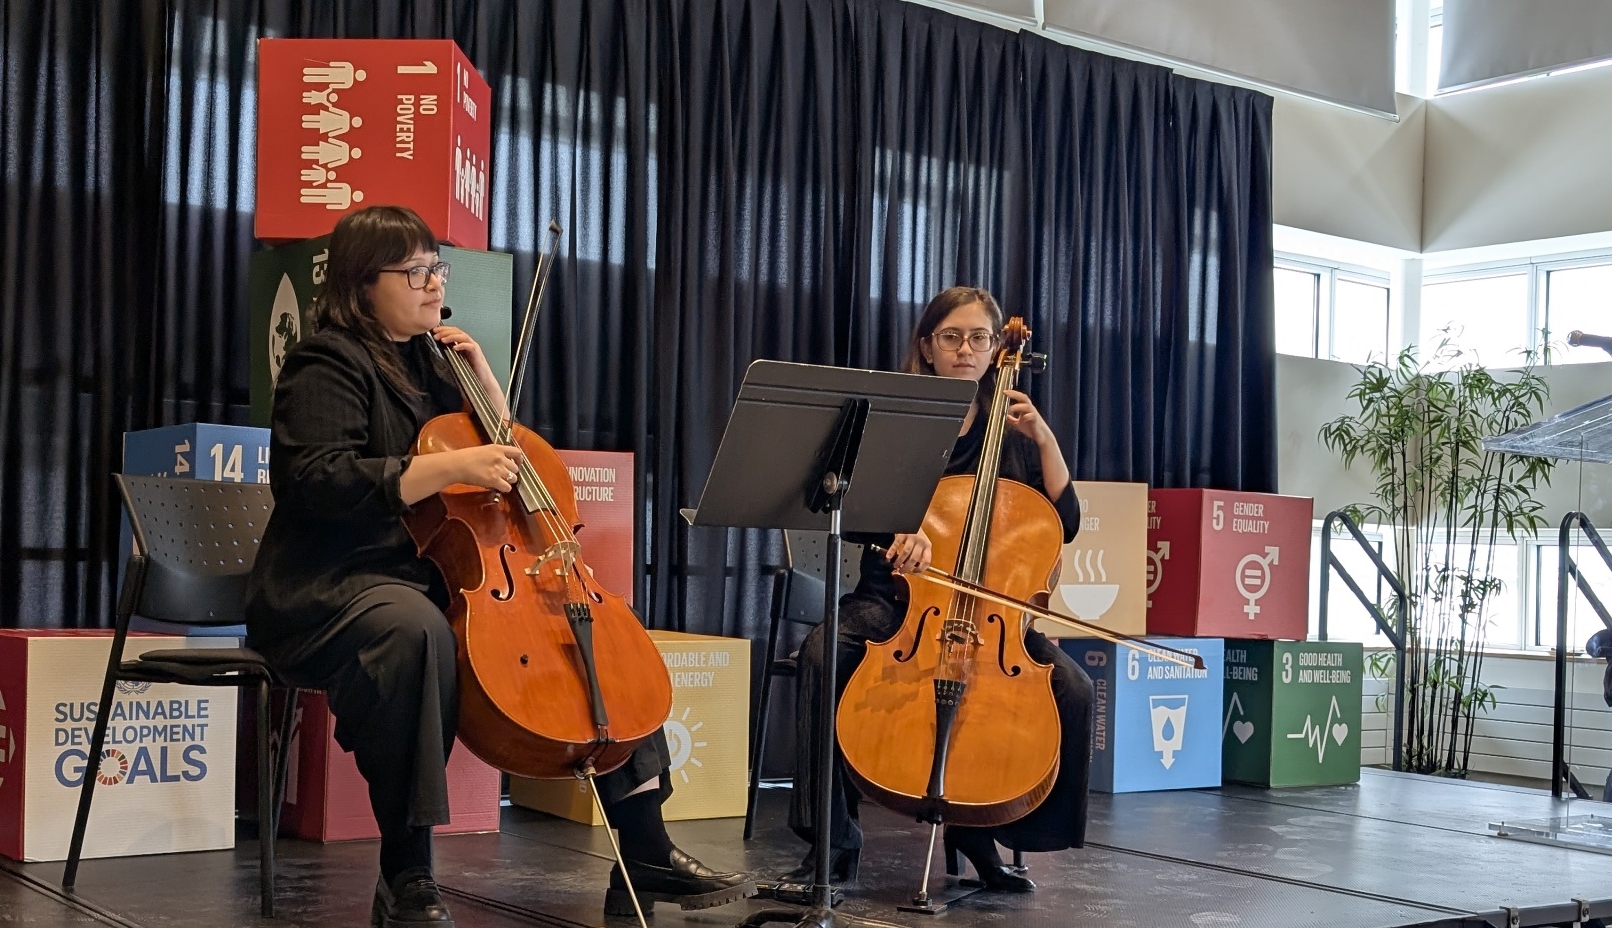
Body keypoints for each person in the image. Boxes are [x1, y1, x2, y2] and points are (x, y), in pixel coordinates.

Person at [244, 205, 754, 927]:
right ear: (363, 285)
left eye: (436, 269)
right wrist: (452, 464)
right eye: (414, 271)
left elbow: (505, 472)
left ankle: (643, 846)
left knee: (593, 637)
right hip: (333, 583)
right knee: (413, 634)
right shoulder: (327, 361)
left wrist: (487, 387)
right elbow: (314, 481)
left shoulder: (434, 358)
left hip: (427, 575)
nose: (432, 284)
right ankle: (407, 873)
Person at [782, 285, 1090, 893]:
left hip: (989, 619)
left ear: (998, 346)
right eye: (951, 336)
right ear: (927, 346)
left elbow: (1066, 524)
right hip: (896, 606)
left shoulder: (1007, 430)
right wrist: (900, 525)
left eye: (980, 337)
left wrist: (1046, 441)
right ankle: (833, 844)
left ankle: (985, 829)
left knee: (1073, 691)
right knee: (823, 654)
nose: (966, 349)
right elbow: (848, 503)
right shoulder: (899, 418)